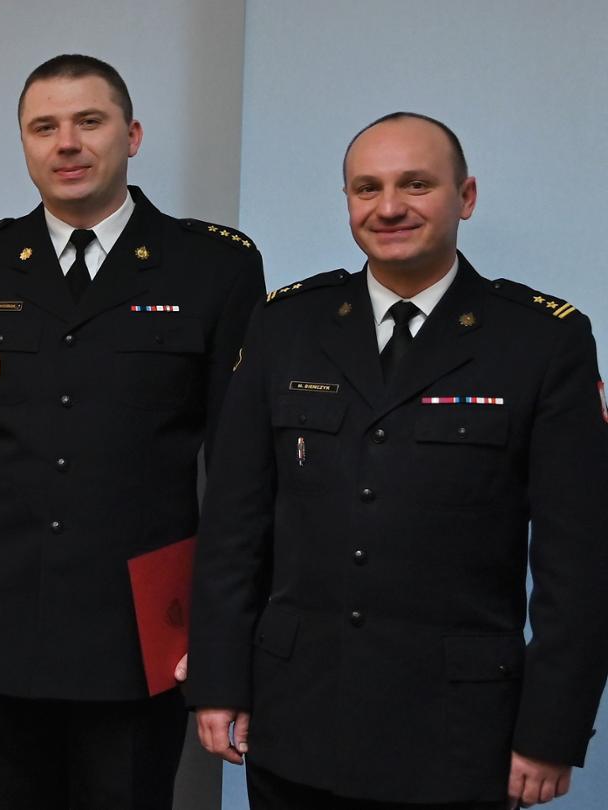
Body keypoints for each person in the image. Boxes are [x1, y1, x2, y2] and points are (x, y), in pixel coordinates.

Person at [188, 112, 608, 809]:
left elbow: (580, 561)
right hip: (297, 720)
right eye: (367, 188)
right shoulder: (286, 325)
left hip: (457, 733)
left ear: (465, 197)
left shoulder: (542, 341)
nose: (388, 207)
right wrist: (219, 681)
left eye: (416, 184)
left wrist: (551, 729)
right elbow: (234, 526)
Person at [0, 53, 266, 808]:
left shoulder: (213, 266)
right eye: (44, 127)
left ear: (131, 136)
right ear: (24, 143)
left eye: (89, 122)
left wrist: (223, 631)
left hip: (139, 631)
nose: (66, 143)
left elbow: (241, 474)